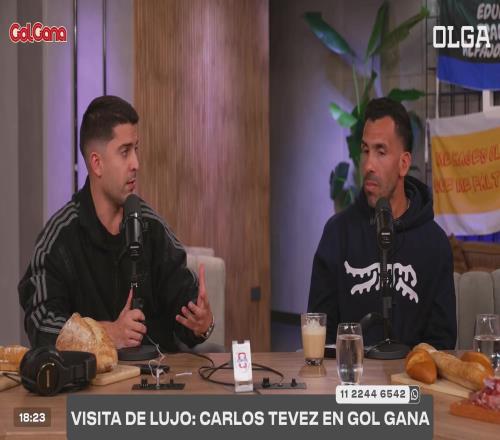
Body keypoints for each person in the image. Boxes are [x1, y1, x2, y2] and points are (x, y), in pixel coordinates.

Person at [18, 95, 214, 351]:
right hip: (89, 376)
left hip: (156, 373)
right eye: (125, 152)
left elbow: (185, 312)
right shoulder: (59, 238)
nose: (136, 164)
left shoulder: (152, 227)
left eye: (136, 149)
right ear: (97, 163)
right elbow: (42, 322)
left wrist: (202, 323)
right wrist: (105, 334)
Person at [307, 97, 457, 349]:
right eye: (365, 150)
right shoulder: (337, 234)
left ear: (404, 163)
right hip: (350, 372)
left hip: (413, 374)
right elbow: (321, 333)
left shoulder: (435, 244)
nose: (368, 165)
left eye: (381, 152)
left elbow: (442, 342)